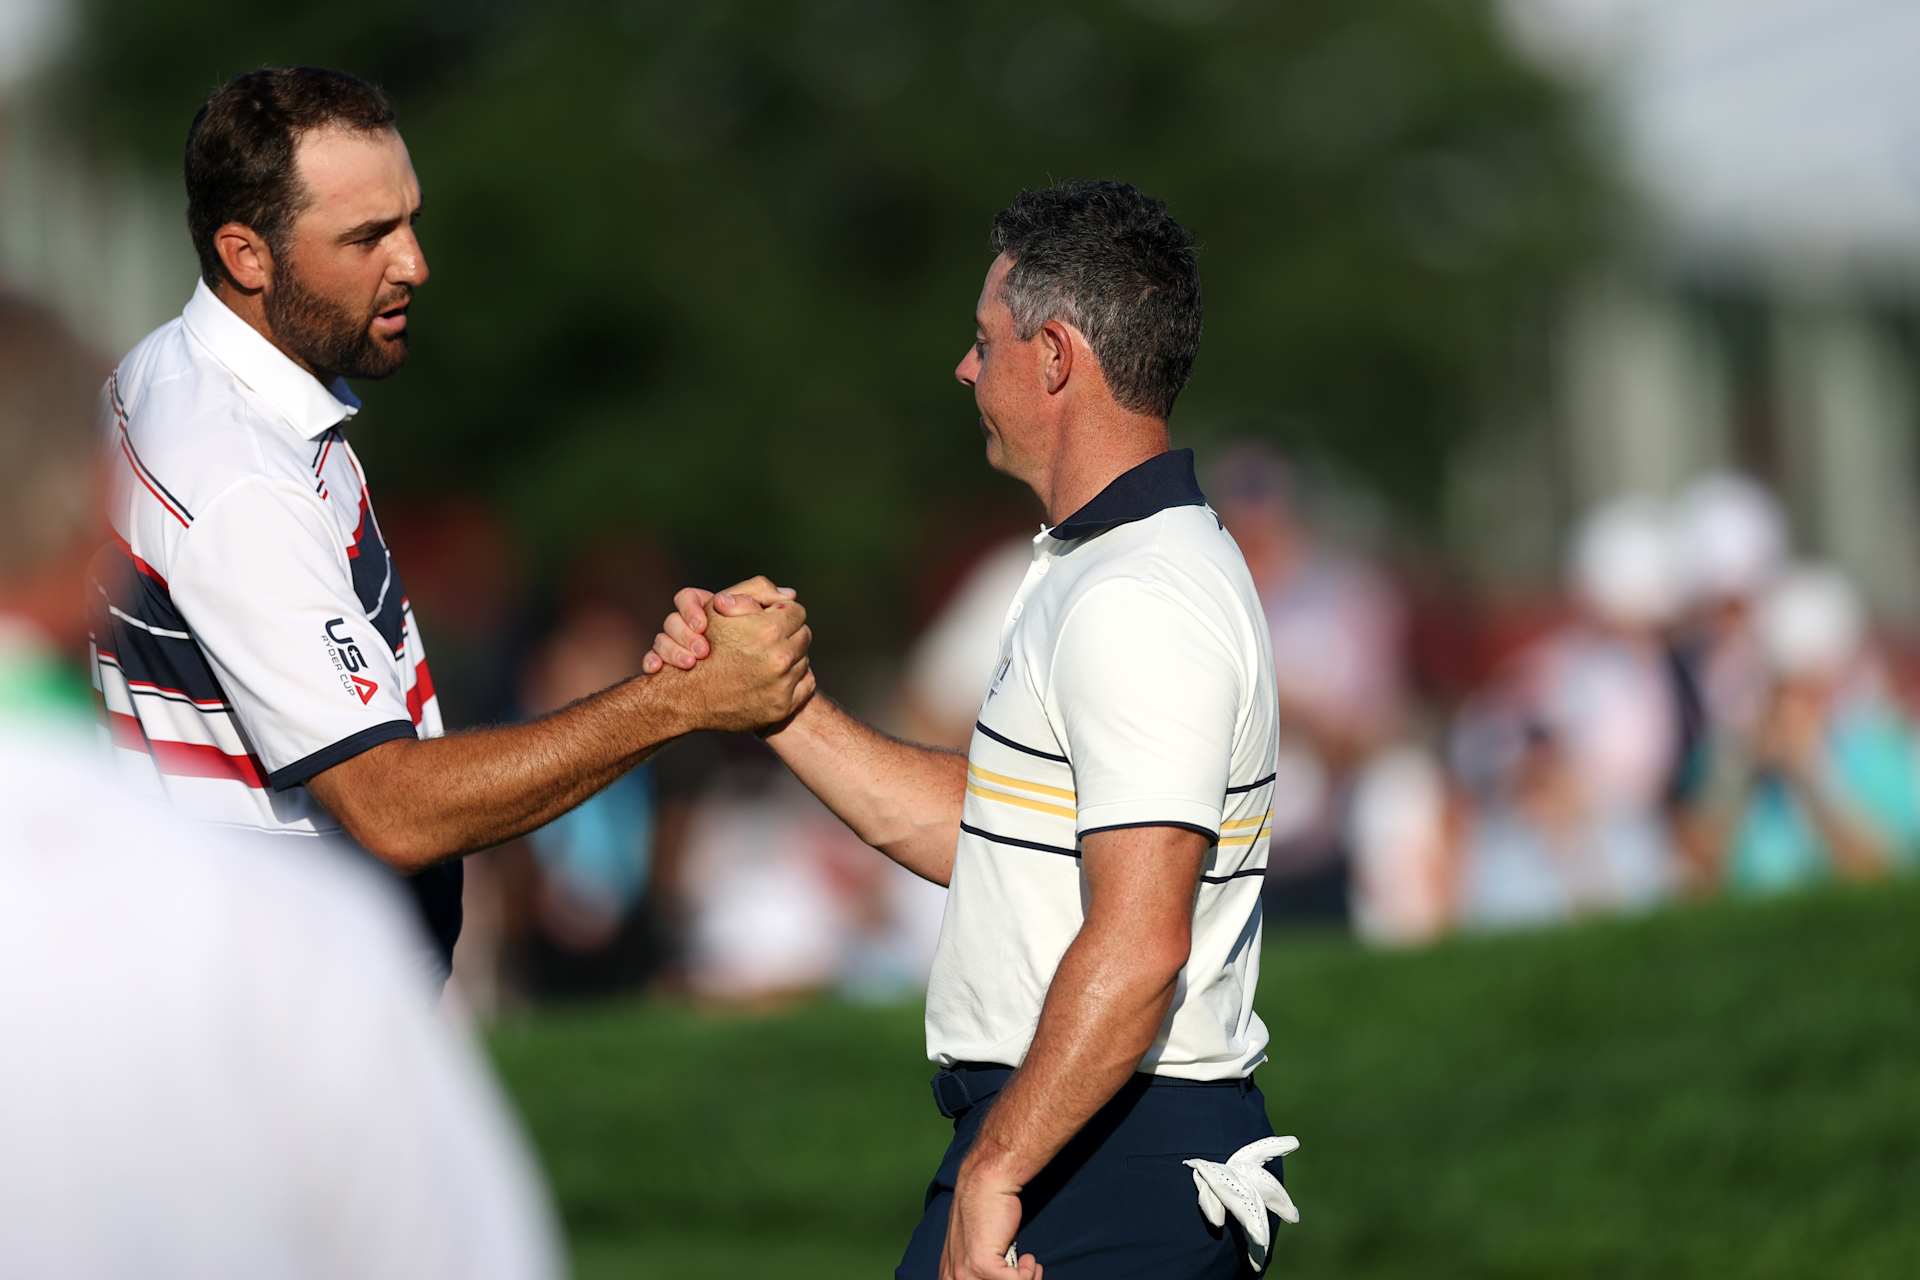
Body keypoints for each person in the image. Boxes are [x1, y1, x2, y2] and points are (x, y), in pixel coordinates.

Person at [648, 181, 1296, 1279]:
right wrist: (773, 704)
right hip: (1090, 1137)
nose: (964, 366)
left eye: (983, 338)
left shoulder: (1138, 595)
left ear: (1053, 356)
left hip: (1107, 1151)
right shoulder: (1099, 570)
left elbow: (1139, 942)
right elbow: (994, 841)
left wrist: (998, 1170)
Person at [91, 67, 813, 980]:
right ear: (247, 257)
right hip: (281, 1014)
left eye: (409, 218)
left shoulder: (169, 374)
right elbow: (395, 809)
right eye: (368, 237)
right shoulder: (236, 474)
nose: (413, 263)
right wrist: (682, 699)